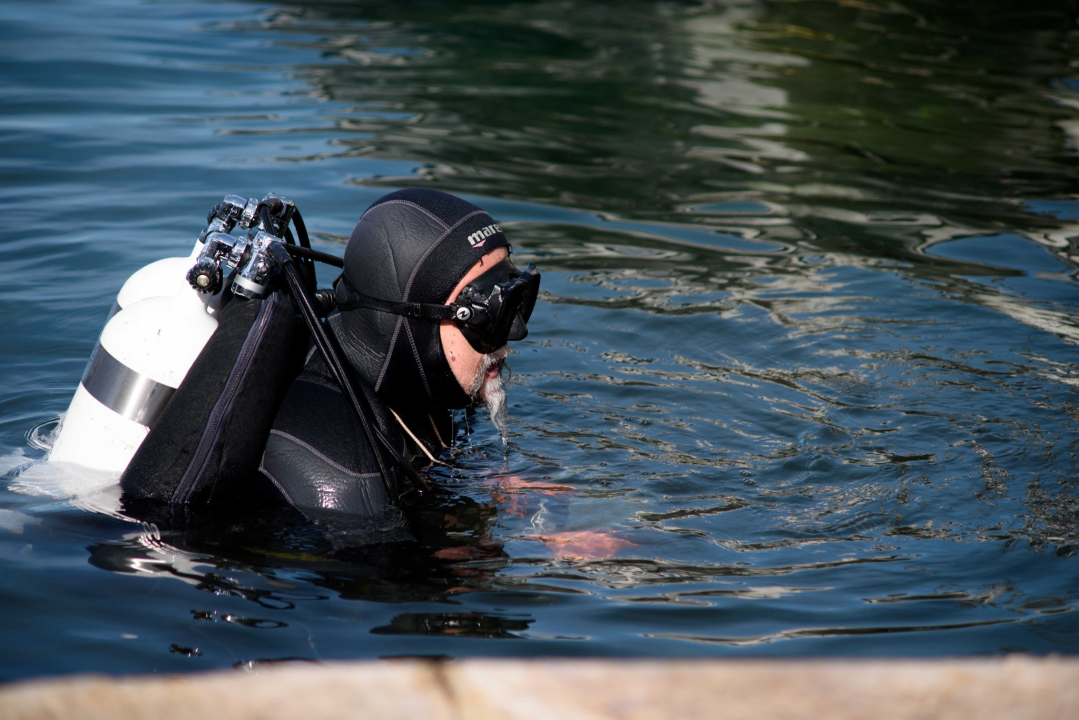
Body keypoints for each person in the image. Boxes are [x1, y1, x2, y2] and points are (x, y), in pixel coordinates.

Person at [131, 188, 539, 528]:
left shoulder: (419, 382)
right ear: (411, 323)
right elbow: (359, 609)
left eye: (516, 298)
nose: (515, 332)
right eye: (490, 314)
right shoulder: (346, 478)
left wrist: (499, 484)